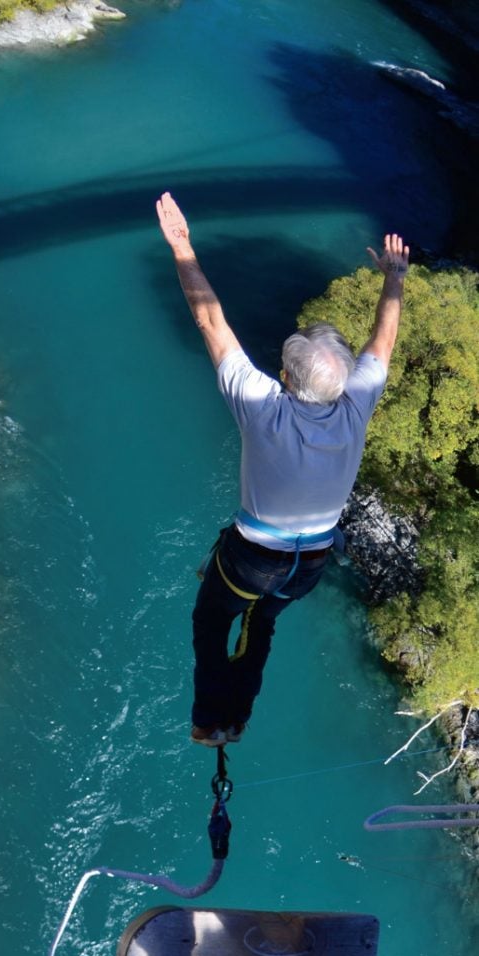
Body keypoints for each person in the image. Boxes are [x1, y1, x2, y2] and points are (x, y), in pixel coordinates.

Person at [156, 192, 409, 747]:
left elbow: (208, 318)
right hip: (310, 563)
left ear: (287, 379)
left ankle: (209, 717)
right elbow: (384, 342)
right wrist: (394, 276)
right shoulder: (356, 403)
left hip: (252, 559)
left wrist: (181, 247)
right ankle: (232, 720)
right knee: (260, 624)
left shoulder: (264, 406)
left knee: (210, 622)